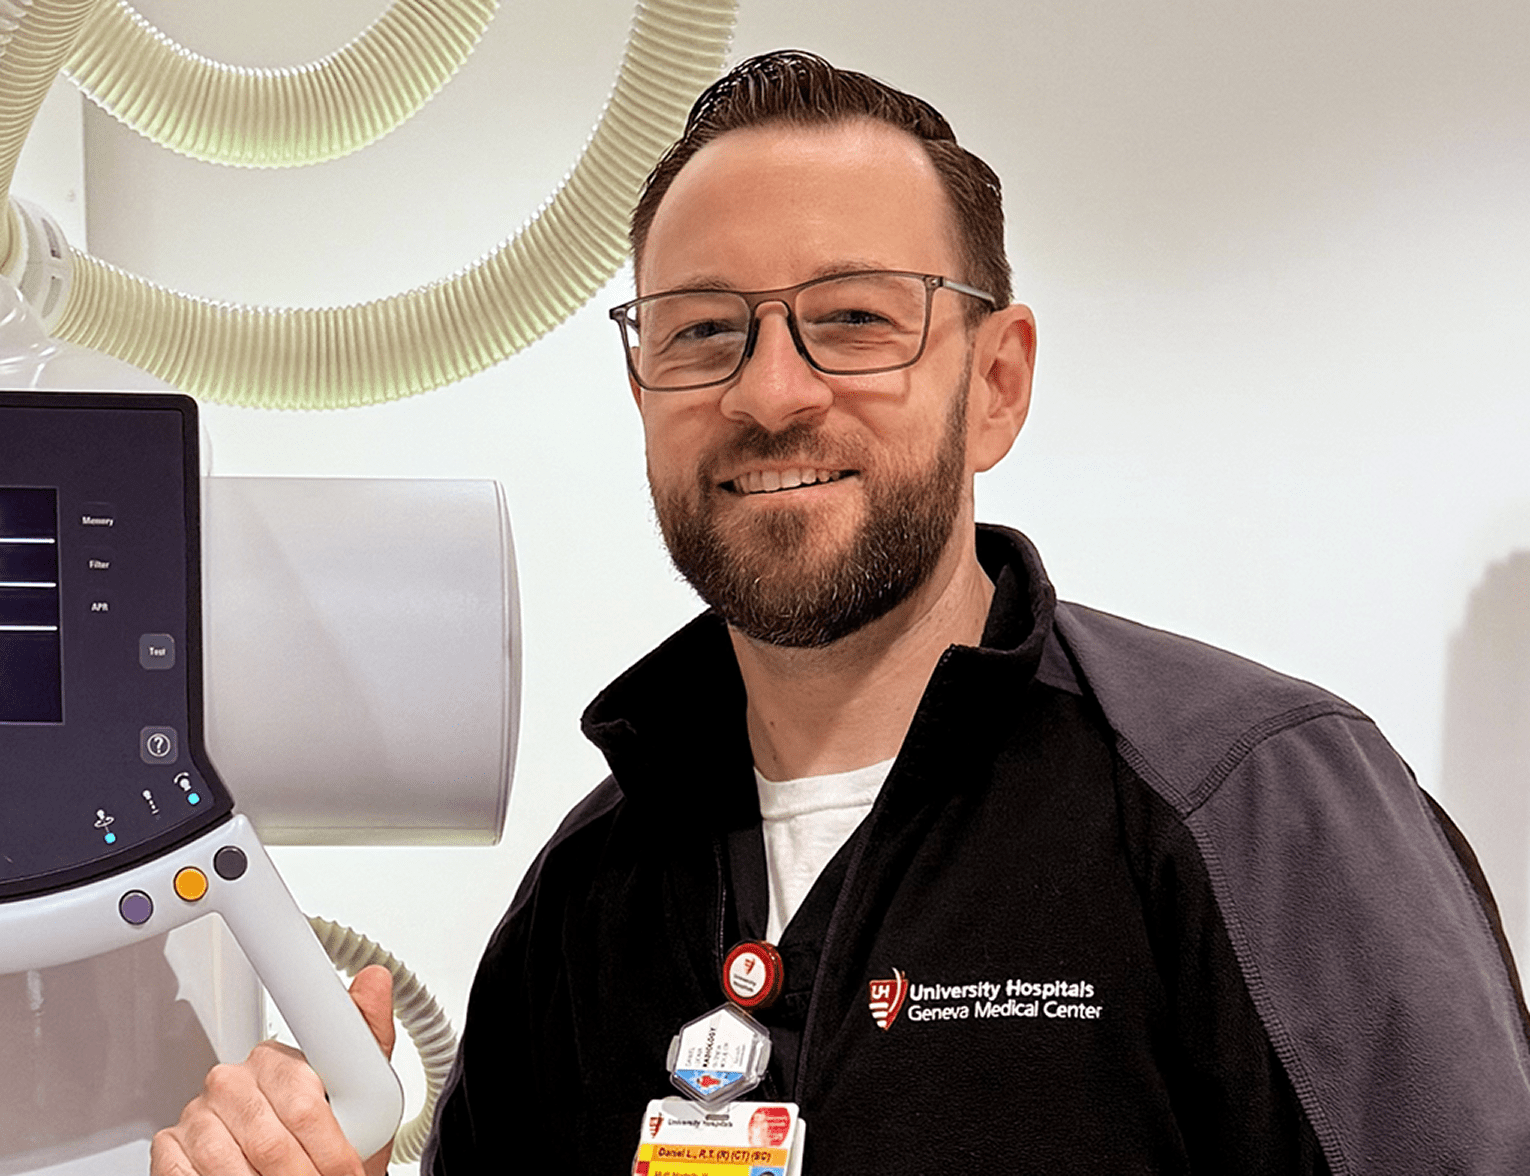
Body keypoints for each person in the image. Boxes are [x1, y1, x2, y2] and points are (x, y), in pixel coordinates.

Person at [152, 50, 1530, 1175]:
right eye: (703, 329)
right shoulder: (589, 898)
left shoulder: (1250, 802)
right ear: (643, 392)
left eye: (856, 319)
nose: (770, 392)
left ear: (996, 384)